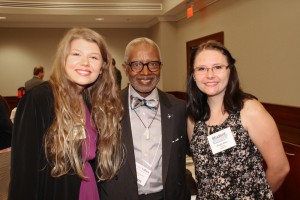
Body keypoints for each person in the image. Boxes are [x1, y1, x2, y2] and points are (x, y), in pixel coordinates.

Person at [9, 27, 124, 200]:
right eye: (76, 54)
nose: (85, 63)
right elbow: (23, 174)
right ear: (64, 60)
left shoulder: (92, 103)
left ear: (102, 68)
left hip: (89, 191)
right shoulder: (40, 99)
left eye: (93, 57)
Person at [186, 40, 289, 199]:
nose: (210, 75)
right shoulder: (194, 118)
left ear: (230, 70)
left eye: (218, 67)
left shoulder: (250, 110)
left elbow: (280, 168)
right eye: (201, 69)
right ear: (193, 75)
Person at [100, 37, 190, 200]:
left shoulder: (179, 109)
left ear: (160, 67)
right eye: (137, 65)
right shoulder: (107, 108)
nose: (146, 72)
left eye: (153, 64)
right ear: (125, 69)